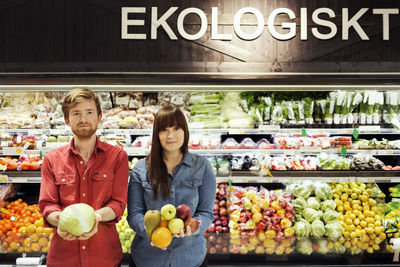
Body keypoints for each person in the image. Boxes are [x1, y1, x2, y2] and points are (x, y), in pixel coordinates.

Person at [39, 88, 129, 267]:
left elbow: (118, 203)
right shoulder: (51, 159)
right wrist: (62, 221)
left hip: (104, 257)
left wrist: (95, 217)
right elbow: (47, 205)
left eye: (89, 112)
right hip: (63, 259)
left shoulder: (118, 157)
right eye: (76, 113)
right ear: (67, 120)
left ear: (99, 117)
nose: (83, 119)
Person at [127, 105, 216, 267]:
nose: (171, 135)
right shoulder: (141, 169)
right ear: (156, 134)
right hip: (148, 259)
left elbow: (207, 212)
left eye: (176, 128)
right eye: (164, 130)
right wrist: (153, 232)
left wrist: (193, 226)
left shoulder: (202, 166)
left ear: (185, 131)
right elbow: (134, 215)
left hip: (190, 258)